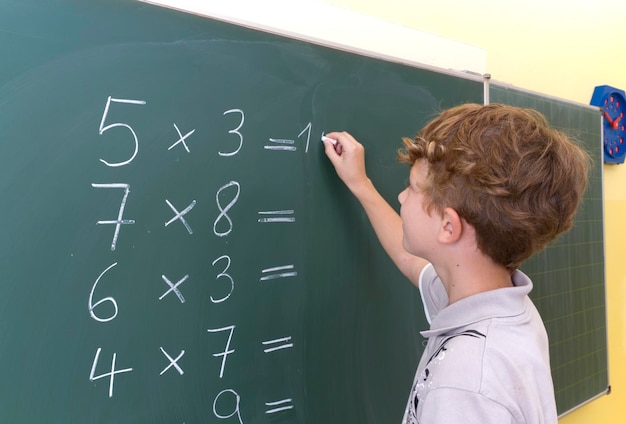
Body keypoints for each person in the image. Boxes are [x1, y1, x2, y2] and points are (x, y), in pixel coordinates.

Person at [322, 103, 590, 424]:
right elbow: (411, 259)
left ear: (448, 227)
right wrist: (360, 184)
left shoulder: (464, 387)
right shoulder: (498, 307)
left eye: (411, 188)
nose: (401, 198)